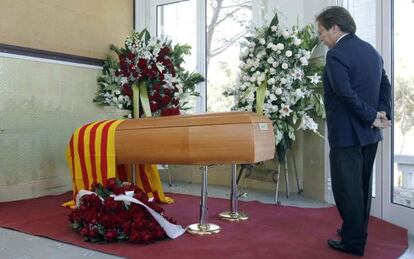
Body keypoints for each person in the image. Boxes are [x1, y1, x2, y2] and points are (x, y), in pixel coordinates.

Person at [316, 6, 392, 256]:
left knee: (346, 189)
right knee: (361, 186)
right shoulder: (371, 51)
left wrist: (373, 116)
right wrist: (382, 113)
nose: (322, 38)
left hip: (347, 134)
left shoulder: (336, 55)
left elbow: (345, 93)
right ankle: (355, 231)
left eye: (322, 32)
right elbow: (385, 83)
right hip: (370, 133)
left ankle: (353, 242)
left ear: (335, 27)